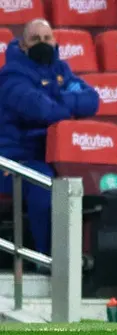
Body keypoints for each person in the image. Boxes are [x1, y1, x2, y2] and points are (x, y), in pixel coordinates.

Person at [0, 19, 99, 258]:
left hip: (56, 156)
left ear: (55, 42)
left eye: (47, 39)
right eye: (35, 39)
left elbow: (92, 100)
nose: (42, 44)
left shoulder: (61, 70)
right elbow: (41, 110)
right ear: (23, 45)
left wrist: (53, 97)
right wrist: (65, 99)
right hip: (16, 161)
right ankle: (49, 259)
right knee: (44, 186)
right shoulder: (10, 76)